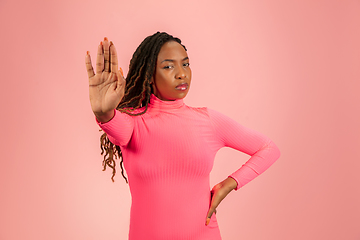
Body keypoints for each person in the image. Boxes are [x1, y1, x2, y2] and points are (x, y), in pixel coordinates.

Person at [85, 32, 280, 240]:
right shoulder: (132, 123)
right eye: (169, 66)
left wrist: (229, 183)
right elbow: (113, 125)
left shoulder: (208, 121)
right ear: (149, 74)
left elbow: (269, 149)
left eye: (185, 64)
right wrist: (103, 112)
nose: (181, 74)